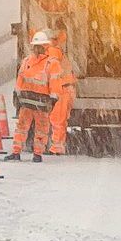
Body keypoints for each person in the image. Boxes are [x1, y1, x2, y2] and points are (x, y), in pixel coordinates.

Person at [6, 30, 62, 163]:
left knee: (27, 128)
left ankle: (26, 153)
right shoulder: (48, 63)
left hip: (32, 102)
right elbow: (21, 79)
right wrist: (53, 99)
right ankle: (30, 153)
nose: (37, 49)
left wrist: (17, 94)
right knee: (34, 128)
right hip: (37, 103)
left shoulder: (39, 62)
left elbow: (53, 83)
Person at [45, 27, 75, 155]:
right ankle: (58, 145)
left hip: (61, 89)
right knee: (60, 120)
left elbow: (52, 72)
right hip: (66, 88)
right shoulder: (58, 51)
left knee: (57, 119)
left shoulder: (52, 51)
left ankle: (57, 147)